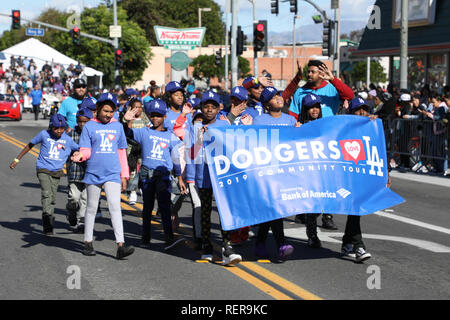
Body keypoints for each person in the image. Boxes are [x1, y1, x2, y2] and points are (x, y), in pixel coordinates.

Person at [289, 60, 354, 230]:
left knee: (328, 179)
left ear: (321, 73)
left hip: (328, 140)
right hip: (306, 140)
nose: (309, 75)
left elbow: (349, 96)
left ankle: (328, 216)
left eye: (313, 72)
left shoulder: (331, 88)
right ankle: (303, 210)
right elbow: (292, 114)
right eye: (308, 71)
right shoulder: (300, 91)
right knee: (307, 178)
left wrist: (333, 79)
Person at [71, 93, 134, 260]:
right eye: (105, 110)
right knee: (91, 208)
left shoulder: (118, 126)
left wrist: (124, 174)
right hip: (93, 172)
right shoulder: (89, 127)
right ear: (97, 109)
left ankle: (120, 245)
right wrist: (80, 156)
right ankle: (87, 242)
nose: (108, 114)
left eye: (111, 111)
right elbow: (86, 149)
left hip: (113, 172)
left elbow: (121, 152)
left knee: (115, 207)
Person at [185, 90, 242, 265]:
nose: (209, 110)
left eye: (213, 107)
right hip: (204, 176)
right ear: (201, 108)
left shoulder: (225, 126)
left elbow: (234, 147)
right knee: (205, 211)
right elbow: (191, 154)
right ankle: (207, 246)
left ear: (219, 108)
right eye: (206, 106)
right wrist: (199, 140)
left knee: (225, 210)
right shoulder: (194, 128)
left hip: (222, 176)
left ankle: (227, 247)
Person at [123, 99, 186, 250]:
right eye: (153, 115)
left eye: (159, 115)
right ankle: (145, 238)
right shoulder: (144, 131)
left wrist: (180, 177)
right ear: (149, 116)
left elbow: (176, 157)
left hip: (163, 175)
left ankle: (169, 238)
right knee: (147, 207)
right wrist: (126, 122)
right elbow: (127, 134)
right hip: (146, 174)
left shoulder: (171, 136)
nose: (155, 118)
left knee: (165, 207)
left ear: (164, 117)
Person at [10, 114, 79, 235]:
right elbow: (30, 145)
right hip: (43, 169)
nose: (59, 131)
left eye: (62, 128)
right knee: (46, 194)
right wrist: (17, 159)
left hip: (57, 172)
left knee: (52, 197)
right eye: (56, 128)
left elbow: (79, 150)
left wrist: (78, 155)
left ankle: (49, 216)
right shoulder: (44, 134)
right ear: (51, 127)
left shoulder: (67, 139)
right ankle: (47, 222)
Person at [251, 87, 298, 260]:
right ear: (266, 105)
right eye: (273, 97)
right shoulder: (258, 121)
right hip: (266, 171)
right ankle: (281, 244)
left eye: (278, 95)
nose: (278, 98)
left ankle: (260, 244)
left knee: (272, 209)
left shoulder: (291, 120)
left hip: (285, 172)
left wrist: (299, 130)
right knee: (275, 208)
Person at [66, 108, 93, 233]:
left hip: (89, 171)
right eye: (80, 121)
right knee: (74, 197)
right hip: (75, 171)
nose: (82, 124)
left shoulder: (93, 133)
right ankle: (71, 211)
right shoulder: (71, 134)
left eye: (85, 122)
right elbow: (64, 149)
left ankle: (81, 222)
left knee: (85, 198)